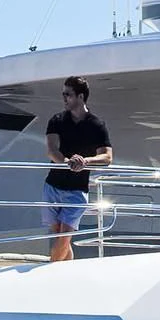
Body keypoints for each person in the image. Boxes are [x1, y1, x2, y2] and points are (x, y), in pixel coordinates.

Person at [42, 76, 113, 262]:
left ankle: (49, 275)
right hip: (53, 186)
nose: (64, 98)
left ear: (81, 97)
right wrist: (68, 162)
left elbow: (107, 157)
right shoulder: (56, 120)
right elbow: (51, 150)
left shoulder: (97, 125)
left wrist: (85, 162)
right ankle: (67, 273)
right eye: (63, 94)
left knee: (64, 238)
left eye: (68, 95)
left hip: (77, 191)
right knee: (60, 237)